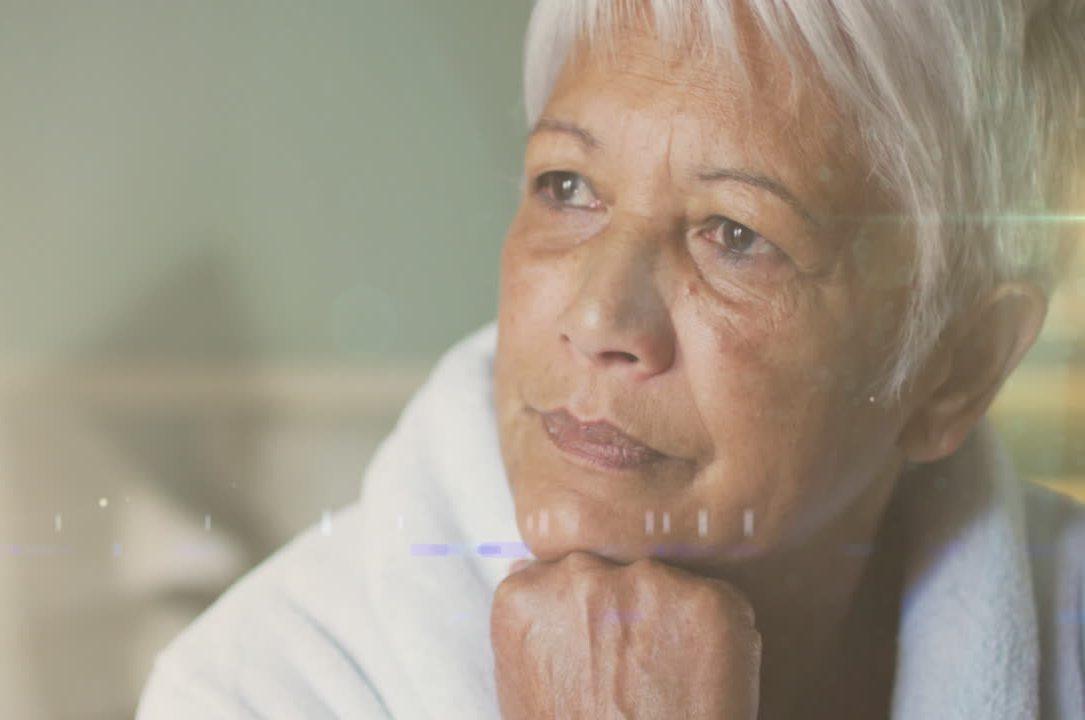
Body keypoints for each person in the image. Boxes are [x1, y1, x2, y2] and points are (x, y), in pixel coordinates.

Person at [137, 0, 1085, 717]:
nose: (597, 316)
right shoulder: (260, 689)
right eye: (567, 186)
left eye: (736, 235)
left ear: (957, 365)